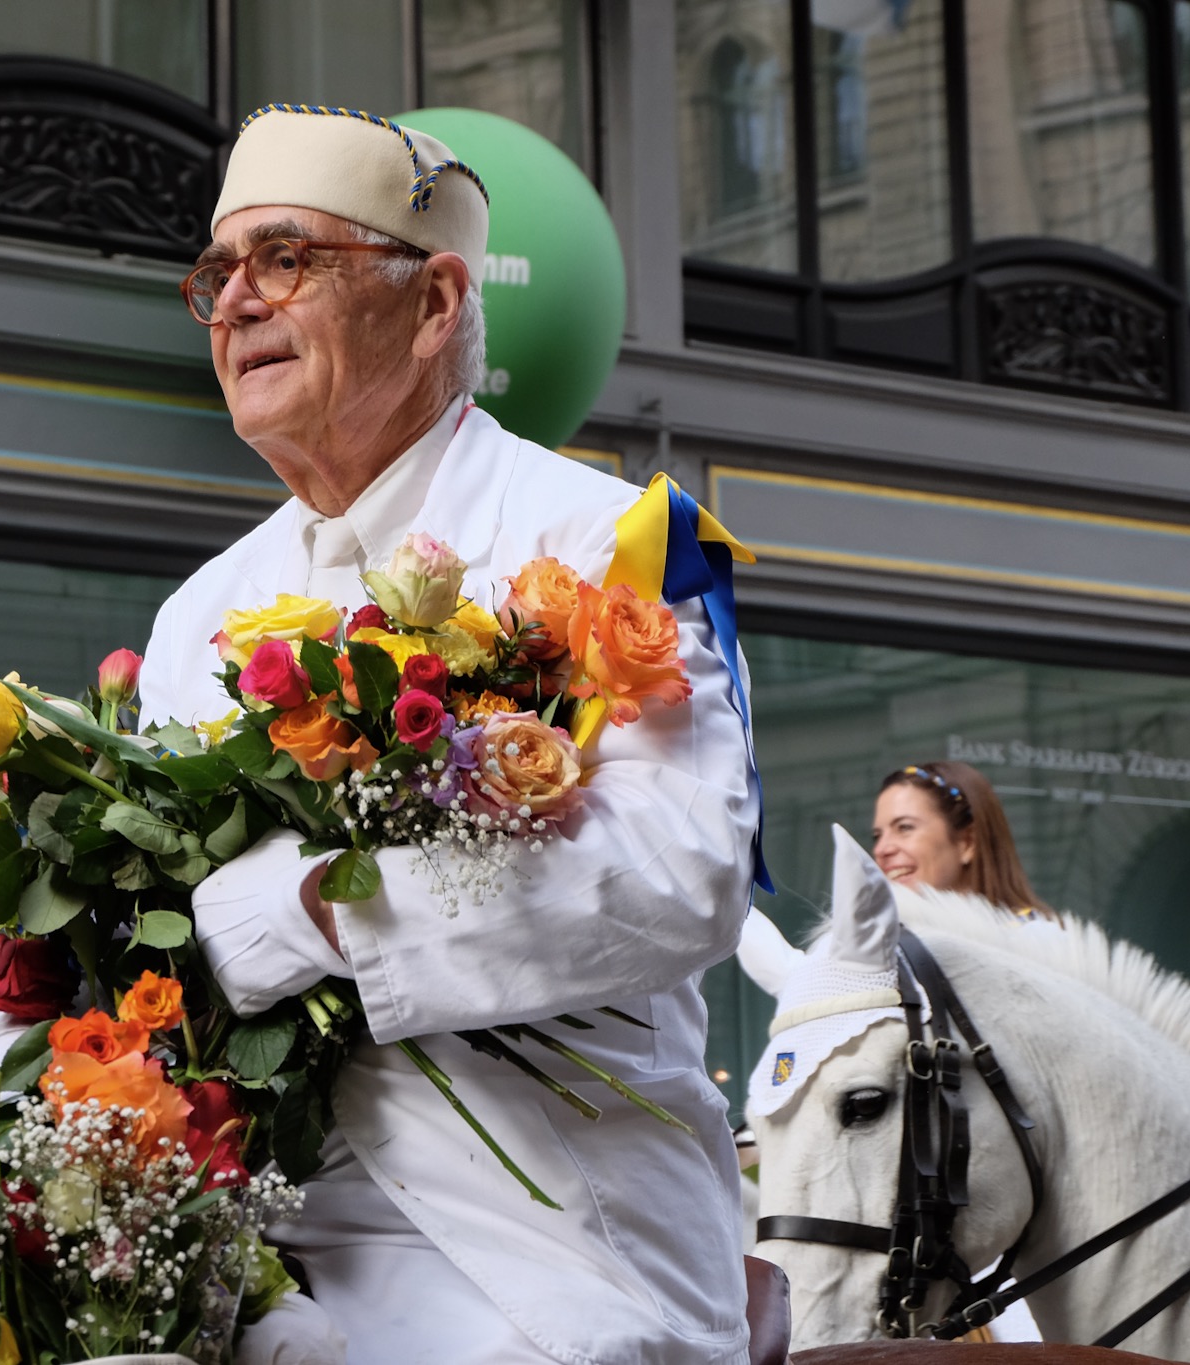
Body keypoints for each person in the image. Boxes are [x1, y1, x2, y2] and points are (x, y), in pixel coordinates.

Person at [131, 106, 759, 1363]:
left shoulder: (611, 541)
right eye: (218, 273)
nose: (236, 304)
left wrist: (323, 910)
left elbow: (682, 876)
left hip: (552, 1251)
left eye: (286, 259)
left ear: (432, 304)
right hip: (254, 1257)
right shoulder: (195, 613)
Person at [872, 761, 1053, 920]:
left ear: (967, 842)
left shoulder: (1035, 945)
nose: (881, 849)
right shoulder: (879, 945)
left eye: (905, 827)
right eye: (877, 836)